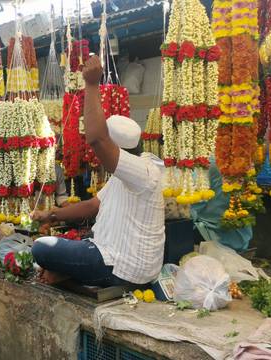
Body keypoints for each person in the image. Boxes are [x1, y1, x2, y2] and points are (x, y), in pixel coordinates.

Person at [31, 56, 165, 286]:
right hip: (112, 257)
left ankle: (65, 272)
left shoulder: (143, 172)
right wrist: (51, 215)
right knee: (58, 246)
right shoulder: (125, 173)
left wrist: (92, 84)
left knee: (41, 248)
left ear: (115, 149)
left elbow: (96, 139)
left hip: (124, 269)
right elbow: (93, 205)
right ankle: (65, 272)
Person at [191, 157, 253, 252]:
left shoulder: (208, 164)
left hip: (213, 233)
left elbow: (197, 204)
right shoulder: (245, 160)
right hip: (242, 235)